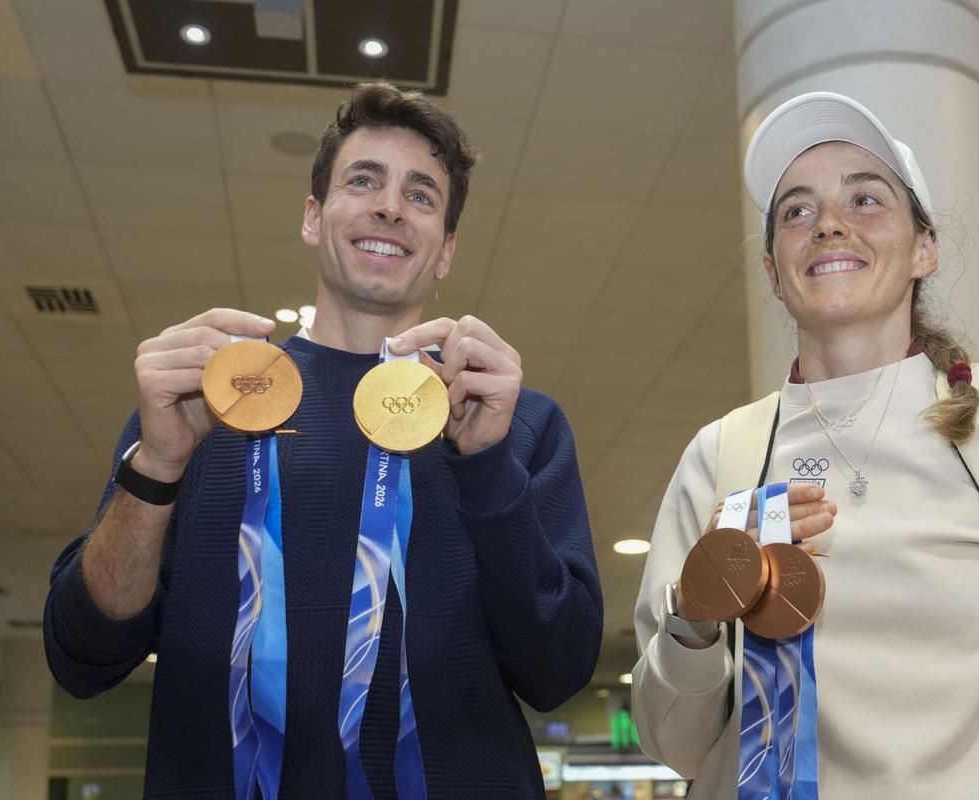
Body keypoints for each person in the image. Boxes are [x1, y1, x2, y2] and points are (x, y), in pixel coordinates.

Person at [44, 82, 603, 799]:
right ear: (313, 216)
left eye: (421, 195)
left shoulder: (512, 423)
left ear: (445, 252)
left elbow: (558, 672)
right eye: (363, 181)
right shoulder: (203, 404)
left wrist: (490, 467)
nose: (390, 207)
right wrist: (155, 467)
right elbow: (82, 659)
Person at [631, 91, 979, 799]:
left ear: (925, 248)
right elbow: (678, 744)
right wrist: (696, 614)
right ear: (773, 270)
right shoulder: (725, 456)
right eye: (796, 211)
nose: (828, 224)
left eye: (864, 200)